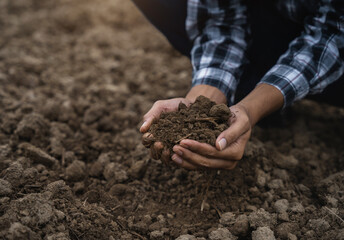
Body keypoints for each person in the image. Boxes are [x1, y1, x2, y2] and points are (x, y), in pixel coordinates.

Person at [133, 0, 344, 170]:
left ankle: (263, 96)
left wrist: (251, 110)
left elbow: (332, 34)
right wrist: (199, 104)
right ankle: (253, 90)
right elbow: (222, 23)